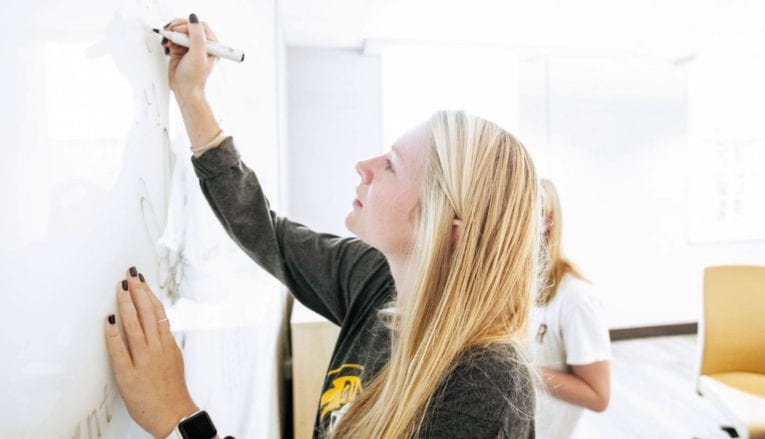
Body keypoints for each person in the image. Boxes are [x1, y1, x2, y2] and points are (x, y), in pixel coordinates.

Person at [104, 13, 541, 439]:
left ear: (447, 229)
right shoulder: (376, 279)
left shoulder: (487, 385)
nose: (364, 167)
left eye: (391, 165)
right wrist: (192, 96)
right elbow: (265, 232)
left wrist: (179, 419)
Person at [528, 179, 611, 439]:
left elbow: (598, 396)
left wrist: (523, 372)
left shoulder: (577, 299)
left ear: (546, 222)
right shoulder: (513, 287)